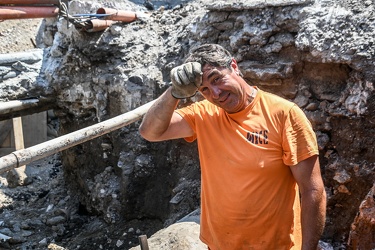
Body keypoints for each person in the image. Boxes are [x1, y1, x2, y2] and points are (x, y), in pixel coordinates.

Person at [139, 43, 326, 250]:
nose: (216, 93)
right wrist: (174, 92)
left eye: (217, 79)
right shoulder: (204, 113)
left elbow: (312, 190)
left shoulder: (283, 114)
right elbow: (150, 132)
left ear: (234, 66)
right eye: (205, 90)